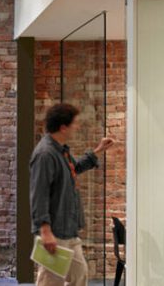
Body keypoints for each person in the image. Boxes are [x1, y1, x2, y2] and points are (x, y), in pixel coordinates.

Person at [30, 103, 116, 286]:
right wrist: (45, 231)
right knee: (50, 281)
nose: (78, 127)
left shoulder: (61, 150)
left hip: (68, 230)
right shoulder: (45, 154)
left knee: (79, 275)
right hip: (54, 231)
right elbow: (39, 194)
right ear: (63, 127)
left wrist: (97, 151)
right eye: (75, 123)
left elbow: (73, 169)